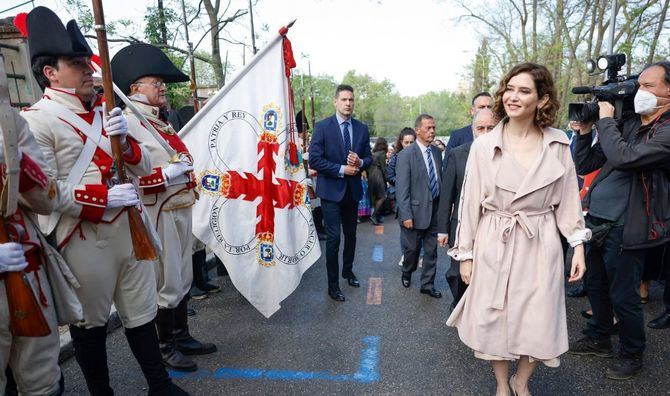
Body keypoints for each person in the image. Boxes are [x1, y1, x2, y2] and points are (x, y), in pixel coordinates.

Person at [21, 7, 187, 395]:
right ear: (51, 72)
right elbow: (43, 192)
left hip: (128, 230)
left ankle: (159, 385)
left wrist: (126, 142)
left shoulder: (105, 112)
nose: (88, 69)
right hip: (82, 236)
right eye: (76, 63)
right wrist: (102, 197)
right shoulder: (37, 120)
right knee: (90, 326)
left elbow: (143, 164)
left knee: (142, 314)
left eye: (85, 62)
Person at [447, 63, 589, 396]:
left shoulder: (558, 145)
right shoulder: (484, 145)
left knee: (540, 321)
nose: (513, 96)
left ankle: (521, 381)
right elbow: (468, 203)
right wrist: (465, 255)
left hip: (540, 241)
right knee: (496, 319)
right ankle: (501, 383)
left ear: (542, 100)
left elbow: (568, 200)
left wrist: (578, 245)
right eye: (509, 89)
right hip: (495, 237)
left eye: (524, 91)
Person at [111, 43, 217, 372]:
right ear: (134, 89)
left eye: (160, 83)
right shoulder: (128, 123)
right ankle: (165, 344)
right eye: (154, 83)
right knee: (166, 281)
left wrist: (180, 169)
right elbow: (127, 179)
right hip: (156, 211)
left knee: (182, 276)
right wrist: (165, 175)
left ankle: (181, 334)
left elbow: (182, 157)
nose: (161, 88)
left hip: (179, 207)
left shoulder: (159, 123)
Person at [570, 61, 670, 380]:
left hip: (629, 227)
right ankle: (599, 336)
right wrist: (585, 130)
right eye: (638, 85)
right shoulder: (628, 122)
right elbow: (586, 164)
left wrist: (606, 120)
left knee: (623, 295)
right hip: (598, 220)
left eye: (649, 85)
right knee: (596, 285)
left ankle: (632, 352)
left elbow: (625, 158)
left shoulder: (666, 130)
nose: (641, 91)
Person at [0, 108, 62, 395]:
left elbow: (47, 201)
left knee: (43, 379)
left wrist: (17, 163)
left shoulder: (9, 120)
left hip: (26, 268)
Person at [308, 84, 372, 302]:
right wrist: (342, 169)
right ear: (335, 102)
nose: (348, 103)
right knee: (334, 239)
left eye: (351, 100)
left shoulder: (362, 128)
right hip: (331, 192)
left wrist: (361, 161)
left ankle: (348, 271)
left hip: (352, 192)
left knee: (352, 236)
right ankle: (333, 285)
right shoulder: (323, 127)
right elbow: (315, 159)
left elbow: (368, 158)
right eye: (344, 99)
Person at [437, 108, 496, 307]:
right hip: (460, 225)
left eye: (491, 128)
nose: (485, 133)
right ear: (472, 130)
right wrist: (443, 229)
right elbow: (447, 195)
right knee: (457, 272)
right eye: (481, 128)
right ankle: (459, 304)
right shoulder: (457, 154)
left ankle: (478, 310)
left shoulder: (506, 155)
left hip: (493, 225)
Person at [396, 114, 443, 298]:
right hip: (414, 214)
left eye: (433, 127)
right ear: (418, 130)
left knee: (431, 252)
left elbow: (439, 180)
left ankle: (427, 285)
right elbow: (402, 188)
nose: (432, 131)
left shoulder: (437, 153)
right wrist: (406, 214)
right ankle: (407, 271)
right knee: (412, 251)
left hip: (435, 211)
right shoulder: (406, 155)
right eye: (428, 128)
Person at [443, 92, 492, 172]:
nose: (486, 110)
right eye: (482, 107)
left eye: (489, 107)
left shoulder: (502, 134)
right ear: (472, 111)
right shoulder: (457, 137)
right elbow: (447, 170)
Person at [368, 138, 388, 225]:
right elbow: (384, 168)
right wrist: (387, 179)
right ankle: (374, 215)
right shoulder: (382, 153)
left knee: (376, 197)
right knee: (382, 196)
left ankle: (376, 217)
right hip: (378, 174)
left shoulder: (373, 153)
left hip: (371, 175)